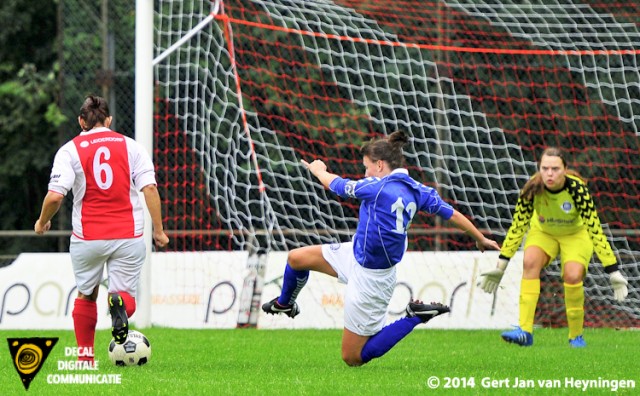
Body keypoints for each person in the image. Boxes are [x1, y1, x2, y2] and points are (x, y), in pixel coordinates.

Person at [262, 130, 500, 366]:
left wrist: (318, 170)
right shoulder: (418, 190)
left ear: (379, 165)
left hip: (372, 278)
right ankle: (285, 304)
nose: (365, 173)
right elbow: (453, 214)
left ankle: (414, 316)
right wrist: (479, 238)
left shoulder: (376, 187)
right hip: (354, 253)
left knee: (352, 357)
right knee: (296, 259)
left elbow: (336, 185)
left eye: (366, 167)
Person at [34, 95, 169, 364]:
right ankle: (118, 307)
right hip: (128, 235)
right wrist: (158, 230)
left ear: (81, 121)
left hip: (88, 238)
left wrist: (42, 221)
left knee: (87, 294)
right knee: (123, 296)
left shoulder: (69, 150)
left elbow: (55, 197)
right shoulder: (131, 147)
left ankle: (85, 358)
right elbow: (150, 188)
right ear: (109, 120)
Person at [479, 147, 628, 348]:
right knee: (530, 261)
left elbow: (594, 229)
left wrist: (613, 270)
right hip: (544, 233)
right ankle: (525, 331)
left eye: (555, 169)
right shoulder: (532, 189)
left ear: (565, 169)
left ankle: (576, 336)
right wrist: (500, 267)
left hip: (575, 235)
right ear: (539, 169)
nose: (549, 173)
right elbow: (517, 227)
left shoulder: (577, 190)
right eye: (545, 168)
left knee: (573, 275)